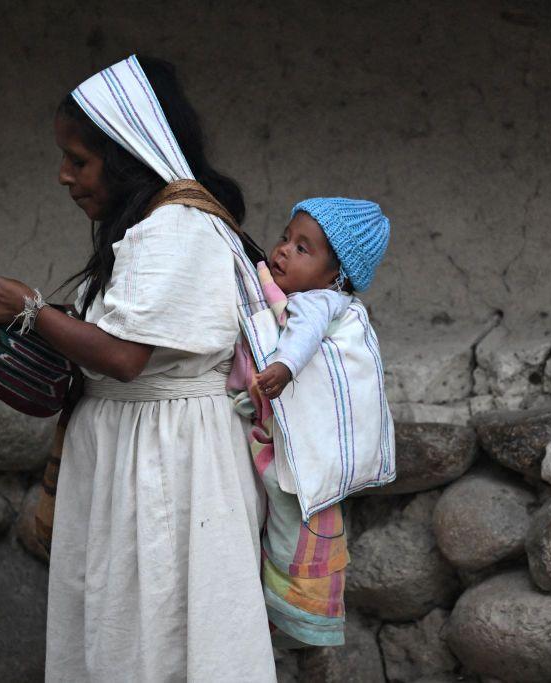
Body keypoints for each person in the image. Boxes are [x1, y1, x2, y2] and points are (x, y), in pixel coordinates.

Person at [0, 55, 277, 681]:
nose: (64, 176)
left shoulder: (178, 229)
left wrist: (31, 308)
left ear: (125, 156)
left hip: (168, 460)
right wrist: (11, 315)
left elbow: (124, 358)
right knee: (128, 628)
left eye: (80, 159)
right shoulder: (152, 229)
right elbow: (114, 339)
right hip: (137, 450)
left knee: (162, 627)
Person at [228, 198, 390, 648]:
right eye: (285, 238)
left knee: (289, 527)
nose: (282, 251)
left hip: (292, 458)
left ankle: (292, 605)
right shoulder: (285, 300)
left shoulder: (322, 302)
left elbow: (302, 335)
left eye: (303, 249)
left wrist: (284, 366)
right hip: (273, 435)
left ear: (336, 276)